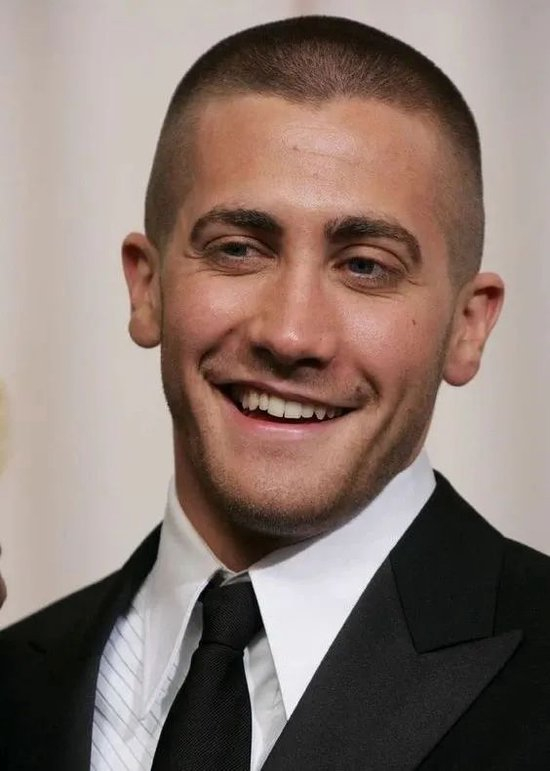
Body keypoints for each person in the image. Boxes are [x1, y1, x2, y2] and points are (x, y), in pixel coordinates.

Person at [2, 15, 550, 771]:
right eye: (238, 250)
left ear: (468, 327)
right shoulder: (11, 685)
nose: (291, 334)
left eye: (366, 266)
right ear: (147, 287)